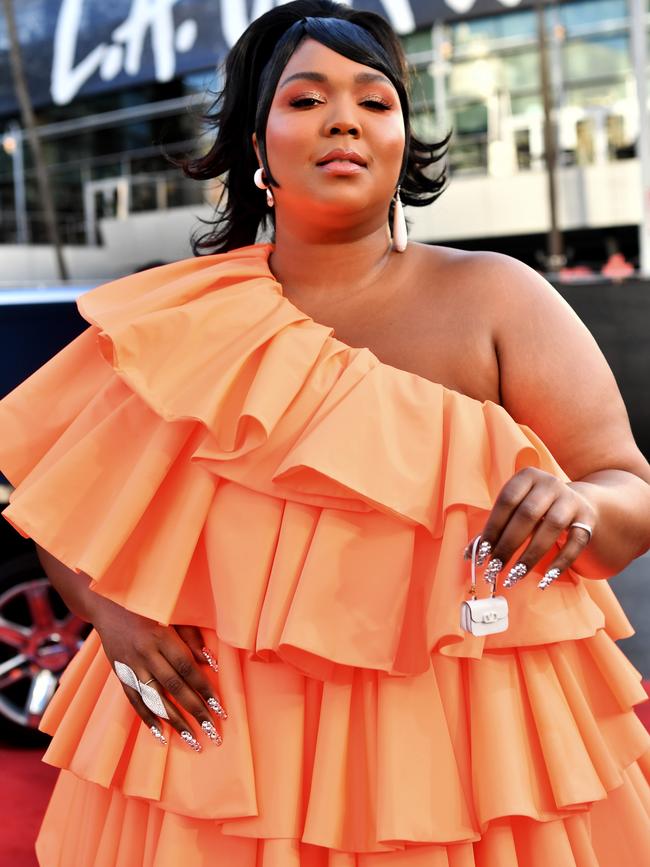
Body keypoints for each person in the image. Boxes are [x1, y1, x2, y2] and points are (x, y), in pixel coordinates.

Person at [1, 2, 649, 864]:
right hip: (228, 751)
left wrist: (573, 504)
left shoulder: (499, 297)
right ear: (255, 144)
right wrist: (109, 614)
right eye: (306, 100)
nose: (343, 117)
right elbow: (64, 512)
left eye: (374, 102)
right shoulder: (179, 319)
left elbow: (627, 493)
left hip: (457, 747)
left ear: (402, 142)